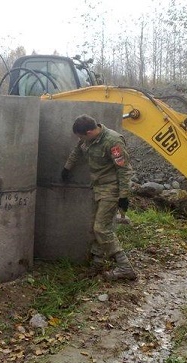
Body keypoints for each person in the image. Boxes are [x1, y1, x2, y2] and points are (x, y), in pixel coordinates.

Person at [61, 114, 137, 280]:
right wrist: (67, 168)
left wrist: (123, 196)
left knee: (101, 228)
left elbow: (124, 170)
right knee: (94, 226)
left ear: (89, 132)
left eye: (81, 136)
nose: (80, 139)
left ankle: (125, 267)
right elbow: (76, 151)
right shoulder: (87, 139)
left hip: (111, 189)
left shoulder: (113, 141)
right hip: (98, 188)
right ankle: (98, 262)